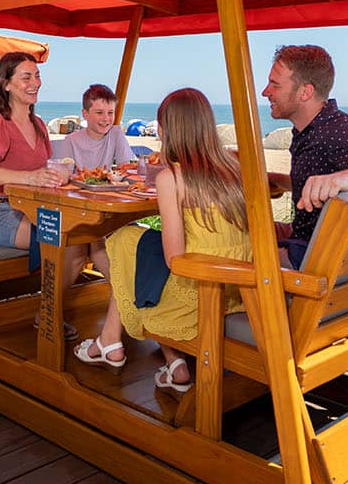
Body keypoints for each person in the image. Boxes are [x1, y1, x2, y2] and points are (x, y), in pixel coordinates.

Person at [75, 88, 251, 388]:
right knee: (137, 244)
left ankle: (110, 342)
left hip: (198, 299)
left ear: (164, 128)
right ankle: (161, 358)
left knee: (125, 242)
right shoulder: (234, 167)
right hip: (239, 292)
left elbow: (175, 259)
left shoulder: (172, 178)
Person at [0, 51, 85, 340]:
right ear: (6, 83)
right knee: (68, 240)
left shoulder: (39, 126)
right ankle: (49, 315)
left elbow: (44, 170)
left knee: (87, 238)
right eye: (26, 77)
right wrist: (30, 177)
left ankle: (123, 312)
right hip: (2, 213)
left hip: (38, 209)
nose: (35, 82)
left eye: (37, 76)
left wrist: (60, 175)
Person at [261, 45, 348, 265]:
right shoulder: (315, 129)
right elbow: (321, 175)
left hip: (320, 262)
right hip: (325, 249)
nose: (266, 92)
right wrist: (280, 181)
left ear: (305, 92)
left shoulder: (337, 132)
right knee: (246, 232)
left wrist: (340, 179)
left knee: (229, 255)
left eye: (275, 85)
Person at [57, 83, 133, 170]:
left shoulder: (115, 133)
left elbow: (125, 169)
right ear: (85, 114)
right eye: (99, 113)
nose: (106, 118)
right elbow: (64, 175)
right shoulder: (70, 141)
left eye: (110, 113)